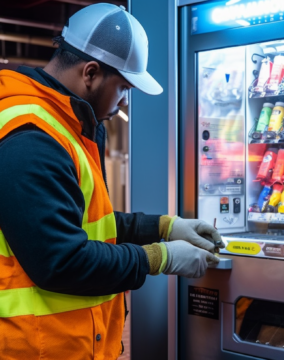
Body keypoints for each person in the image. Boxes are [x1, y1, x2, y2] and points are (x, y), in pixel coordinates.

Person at [0, 3, 224, 360]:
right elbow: (62, 260)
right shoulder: (32, 138)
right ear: (90, 72)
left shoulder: (64, 125)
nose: (123, 101)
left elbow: (83, 222)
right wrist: (159, 257)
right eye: (122, 87)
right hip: (35, 348)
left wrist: (165, 227)